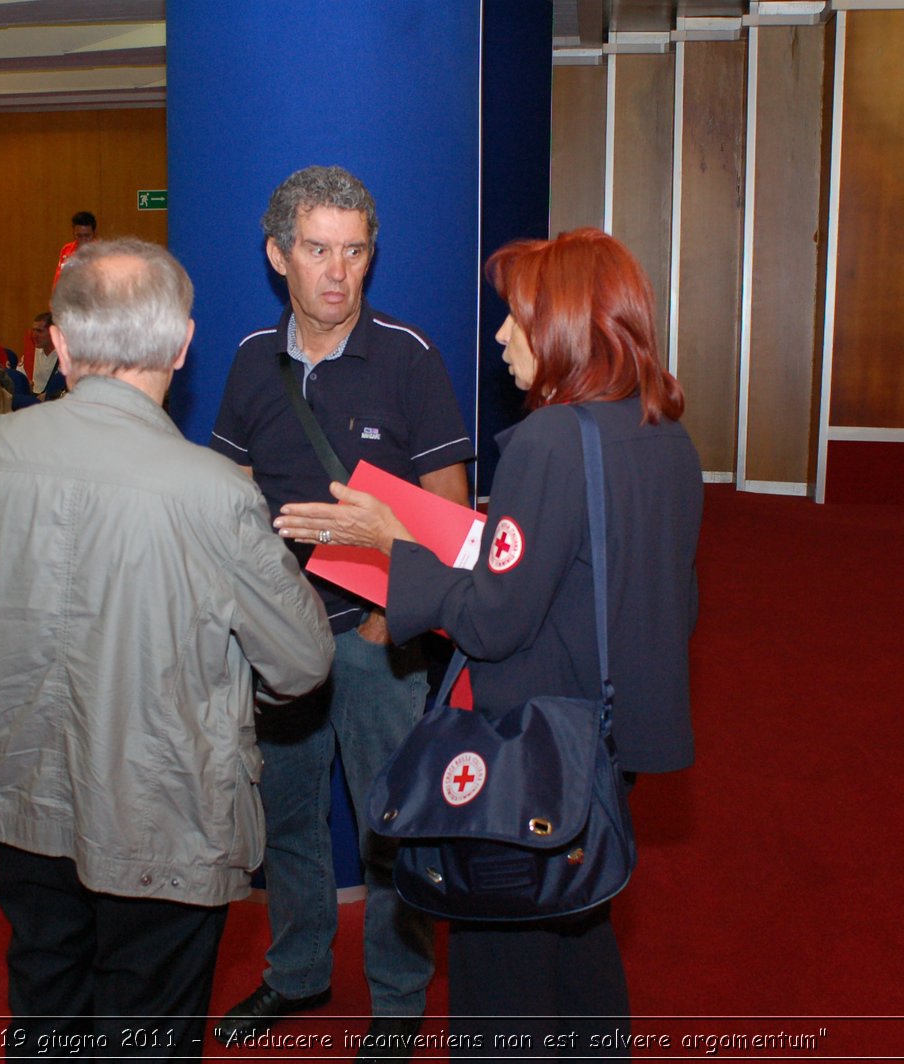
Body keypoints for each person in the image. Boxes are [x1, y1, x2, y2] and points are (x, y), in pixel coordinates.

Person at [0, 238, 334, 1056]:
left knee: (45, 1008)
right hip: (165, 812)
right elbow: (303, 662)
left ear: (59, 346)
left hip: (26, 790)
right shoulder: (214, 493)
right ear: (181, 345)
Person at [275, 228, 703, 1050]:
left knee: (499, 969)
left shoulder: (550, 441)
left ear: (565, 325)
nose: (502, 336)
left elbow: (493, 622)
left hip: (529, 752)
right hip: (605, 741)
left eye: (515, 318)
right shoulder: (662, 433)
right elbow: (634, 587)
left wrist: (393, 546)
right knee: (577, 933)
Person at [209, 165, 472, 1050]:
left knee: (388, 827)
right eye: (318, 250)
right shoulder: (252, 359)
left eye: (355, 252)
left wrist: (385, 620)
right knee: (287, 817)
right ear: (278, 253)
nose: (338, 273)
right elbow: (236, 497)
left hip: (377, 639)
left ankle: (398, 1007)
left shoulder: (409, 355)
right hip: (278, 639)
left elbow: (452, 507)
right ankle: (298, 975)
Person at [52, 210, 97, 289]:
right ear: (74, 233)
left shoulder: (101, 252)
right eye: (79, 236)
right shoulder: (66, 250)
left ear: (94, 233)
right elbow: (59, 278)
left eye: (87, 236)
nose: (83, 239)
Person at [23, 312, 57, 395]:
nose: (34, 335)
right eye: (33, 330)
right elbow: (19, 379)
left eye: (39, 331)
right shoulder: (31, 353)